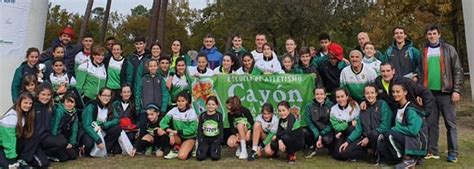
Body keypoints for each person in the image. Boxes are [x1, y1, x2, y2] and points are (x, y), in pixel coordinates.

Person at [422, 24, 464, 162]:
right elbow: (420, 73)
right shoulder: (424, 51)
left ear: (439, 34)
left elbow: (458, 70)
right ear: (427, 36)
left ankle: (453, 153)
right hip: (429, 94)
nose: (432, 36)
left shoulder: (449, 49)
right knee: (431, 124)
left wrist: (456, 90)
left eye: (434, 33)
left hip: (446, 93)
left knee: (450, 124)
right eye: (429, 34)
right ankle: (432, 150)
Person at [377, 82, 427, 168]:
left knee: (389, 134)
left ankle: (409, 159)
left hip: (416, 140)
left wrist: (396, 128)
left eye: (398, 91)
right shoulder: (397, 107)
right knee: (382, 136)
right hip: (404, 137)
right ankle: (395, 159)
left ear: (405, 92)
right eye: (393, 92)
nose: (395, 94)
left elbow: (413, 130)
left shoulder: (411, 109)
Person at [339, 84, 392, 162]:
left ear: (376, 94)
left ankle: (378, 155)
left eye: (372, 93)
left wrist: (368, 138)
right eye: (367, 93)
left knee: (373, 134)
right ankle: (369, 153)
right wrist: (347, 141)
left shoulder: (382, 104)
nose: (370, 95)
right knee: (343, 153)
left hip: (379, 138)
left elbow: (385, 126)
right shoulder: (363, 108)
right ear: (364, 94)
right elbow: (358, 129)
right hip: (365, 139)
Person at [17, 84, 65, 167]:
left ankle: (44, 152)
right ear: (38, 94)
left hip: (44, 137)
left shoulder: (51, 106)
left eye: (48, 95)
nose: (46, 97)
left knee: (62, 142)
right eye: (43, 94)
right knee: (43, 164)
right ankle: (24, 158)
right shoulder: (32, 105)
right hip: (32, 140)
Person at [81, 87, 122, 155]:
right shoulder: (91, 106)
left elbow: (117, 119)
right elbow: (87, 126)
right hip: (91, 131)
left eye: (108, 96)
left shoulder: (110, 106)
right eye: (104, 95)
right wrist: (98, 140)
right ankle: (85, 149)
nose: (106, 98)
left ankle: (105, 149)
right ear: (99, 96)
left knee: (117, 128)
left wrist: (103, 126)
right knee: (89, 143)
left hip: (103, 130)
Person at [134, 59, 169, 137]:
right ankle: (141, 145)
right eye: (151, 66)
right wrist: (137, 107)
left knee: (158, 129)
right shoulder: (143, 79)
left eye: (154, 66)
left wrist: (163, 109)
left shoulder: (161, 79)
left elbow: (165, 94)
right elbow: (138, 94)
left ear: (157, 67)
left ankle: (157, 146)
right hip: (145, 109)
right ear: (148, 67)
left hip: (158, 110)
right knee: (143, 127)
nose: (153, 68)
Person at [0, 93, 34, 168]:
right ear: (19, 102)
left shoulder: (23, 114)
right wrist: (12, 159)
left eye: (30, 103)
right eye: (25, 102)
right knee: (9, 166)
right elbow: (9, 141)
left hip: (9, 145)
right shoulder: (11, 118)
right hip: (2, 146)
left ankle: (20, 159)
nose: (28, 105)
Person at [160, 92, 198, 160]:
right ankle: (175, 149)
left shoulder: (191, 112)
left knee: (182, 156)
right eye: (178, 101)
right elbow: (162, 122)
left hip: (189, 137)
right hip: (178, 136)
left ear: (187, 101)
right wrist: (170, 131)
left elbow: (193, 129)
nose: (180, 103)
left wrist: (176, 131)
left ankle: (192, 147)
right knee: (160, 130)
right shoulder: (174, 110)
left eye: (183, 101)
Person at [330, 88, 361, 160]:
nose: (340, 99)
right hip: (341, 134)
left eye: (342, 96)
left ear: (347, 96)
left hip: (353, 134)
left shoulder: (354, 105)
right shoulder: (333, 109)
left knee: (351, 128)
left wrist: (343, 126)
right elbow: (336, 127)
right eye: (338, 97)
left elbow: (357, 122)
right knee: (338, 155)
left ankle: (361, 152)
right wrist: (349, 123)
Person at [302, 87, 334, 159]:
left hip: (326, 130)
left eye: (321, 94)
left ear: (325, 95)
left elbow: (331, 123)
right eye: (317, 94)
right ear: (314, 95)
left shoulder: (331, 105)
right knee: (303, 131)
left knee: (327, 139)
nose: (319, 96)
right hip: (314, 130)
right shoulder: (309, 106)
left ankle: (328, 147)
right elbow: (309, 122)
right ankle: (311, 146)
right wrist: (317, 134)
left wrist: (321, 135)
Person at [50, 92, 79, 162]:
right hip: (58, 138)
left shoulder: (74, 113)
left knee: (73, 156)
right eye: (67, 102)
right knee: (63, 158)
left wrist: (71, 142)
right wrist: (57, 141)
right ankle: (50, 153)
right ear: (63, 102)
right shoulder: (59, 111)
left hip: (66, 137)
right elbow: (55, 127)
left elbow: (75, 129)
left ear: (75, 104)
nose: (69, 104)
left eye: (72, 102)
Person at [196, 96, 224, 161]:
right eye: (209, 104)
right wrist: (200, 141)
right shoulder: (202, 115)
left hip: (215, 139)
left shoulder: (218, 115)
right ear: (206, 105)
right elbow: (199, 129)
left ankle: (214, 148)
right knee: (200, 157)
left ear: (217, 106)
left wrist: (219, 141)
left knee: (215, 157)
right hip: (205, 139)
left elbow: (221, 129)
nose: (211, 106)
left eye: (213, 104)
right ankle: (207, 149)